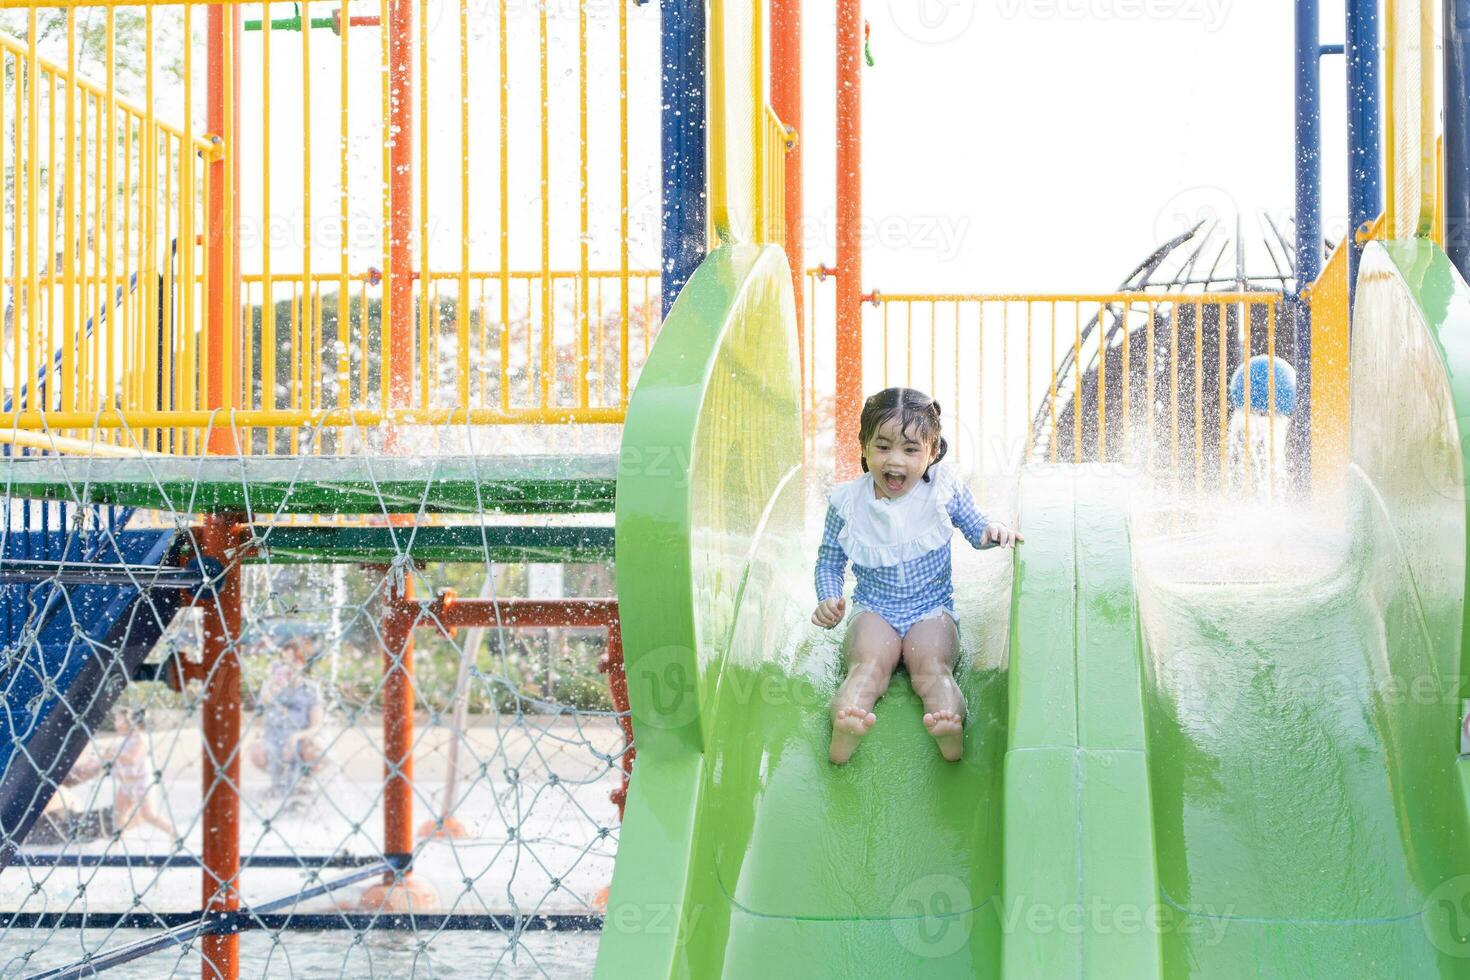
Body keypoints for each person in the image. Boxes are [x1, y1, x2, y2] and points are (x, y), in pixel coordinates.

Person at [812, 387, 1021, 765]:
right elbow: (829, 562)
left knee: (932, 667)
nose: (895, 461)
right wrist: (828, 598)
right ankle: (846, 725)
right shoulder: (847, 503)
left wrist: (993, 531)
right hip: (875, 609)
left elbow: (976, 528)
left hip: (931, 610)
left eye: (910, 450)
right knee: (867, 665)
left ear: (932, 452)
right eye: (883, 446)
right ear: (863, 446)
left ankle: (948, 725)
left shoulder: (943, 490)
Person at [249, 635, 326, 798]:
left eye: (294, 662)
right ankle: (279, 784)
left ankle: (304, 781)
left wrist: (296, 737)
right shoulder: (272, 685)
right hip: (275, 737)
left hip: (299, 738)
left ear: (302, 664)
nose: (289, 668)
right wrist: (271, 690)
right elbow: (259, 716)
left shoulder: (310, 688)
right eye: (285, 662)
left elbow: (316, 724)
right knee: (258, 749)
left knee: (317, 749)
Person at [109, 707, 177, 838]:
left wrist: (113, 755)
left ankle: (174, 833)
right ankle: (119, 839)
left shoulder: (140, 739)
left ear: (130, 722)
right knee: (118, 814)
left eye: (119, 720)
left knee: (148, 814)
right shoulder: (125, 740)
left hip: (141, 784)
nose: (115, 724)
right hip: (125, 784)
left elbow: (132, 759)